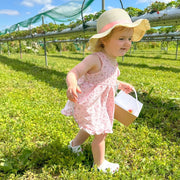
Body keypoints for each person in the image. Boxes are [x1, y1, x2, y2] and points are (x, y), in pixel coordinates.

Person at [61, 8, 150, 173]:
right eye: (122, 38)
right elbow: (74, 72)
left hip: (101, 102)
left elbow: (106, 79)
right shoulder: (94, 58)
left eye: (129, 39)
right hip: (90, 101)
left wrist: (120, 84)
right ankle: (100, 164)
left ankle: (74, 145)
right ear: (104, 40)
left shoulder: (112, 59)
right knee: (101, 132)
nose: (127, 43)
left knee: (90, 127)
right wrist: (72, 85)